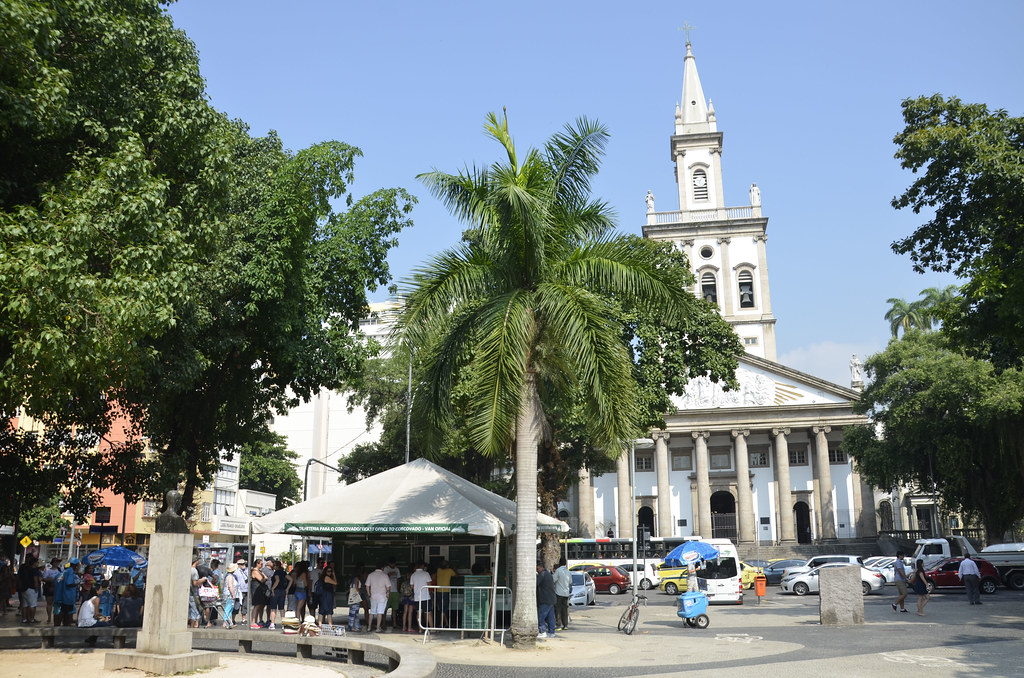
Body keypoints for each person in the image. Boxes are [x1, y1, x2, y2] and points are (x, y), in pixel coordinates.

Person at [53, 558, 80, 626]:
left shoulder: (64, 572)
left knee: (58, 612)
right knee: (67, 613)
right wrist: (77, 583)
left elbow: (57, 580)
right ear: (76, 566)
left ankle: (57, 626)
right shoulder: (70, 572)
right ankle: (66, 627)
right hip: (67, 597)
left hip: (59, 596)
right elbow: (69, 583)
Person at [366, 562, 391, 633]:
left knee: (372, 612)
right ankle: (377, 628)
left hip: (373, 596)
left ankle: (369, 627)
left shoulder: (371, 575)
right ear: (382, 568)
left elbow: (367, 585)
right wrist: (388, 593)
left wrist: (369, 593)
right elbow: (388, 586)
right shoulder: (385, 575)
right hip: (382, 596)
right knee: (380, 612)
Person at [16, 555, 40, 624]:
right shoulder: (34, 570)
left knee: (25, 604)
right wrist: (36, 588)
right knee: (32, 604)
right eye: (37, 562)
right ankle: (31, 619)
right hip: (31, 588)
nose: (38, 564)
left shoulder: (25, 568)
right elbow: (35, 580)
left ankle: (24, 619)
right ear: (34, 563)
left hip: (24, 588)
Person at [409, 561, 433, 631]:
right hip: (425, 596)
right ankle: (432, 628)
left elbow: (411, 586)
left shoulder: (413, 575)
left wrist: (417, 587)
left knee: (419, 613)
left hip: (417, 597)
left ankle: (420, 629)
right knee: (428, 613)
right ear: (422, 566)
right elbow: (429, 584)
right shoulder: (426, 574)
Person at [536, 561, 556, 639]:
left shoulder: (542, 575)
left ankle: (542, 631)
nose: (537, 570)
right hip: (551, 599)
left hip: (545, 599)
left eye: (537, 568)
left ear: (540, 567)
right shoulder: (548, 574)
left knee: (541, 616)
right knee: (551, 617)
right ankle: (552, 632)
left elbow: (536, 583)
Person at [434, 560, 455, 629]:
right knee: (444, 608)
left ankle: (446, 623)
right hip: (446, 591)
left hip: (439, 591)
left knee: (442, 608)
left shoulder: (438, 570)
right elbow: (456, 575)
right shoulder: (450, 571)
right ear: (447, 566)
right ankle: (441, 624)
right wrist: (454, 569)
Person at [553, 556, 572, 631]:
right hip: (566, 593)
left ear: (560, 563)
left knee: (558, 609)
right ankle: (565, 625)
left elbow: (553, 579)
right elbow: (570, 582)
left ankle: (558, 625)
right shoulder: (568, 571)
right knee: (565, 609)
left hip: (558, 593)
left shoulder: (558, 571)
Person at [249, 558, 268, 629]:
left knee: (259, 606)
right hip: (256, 590)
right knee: (256, 606)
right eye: (261, 564)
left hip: (261, 590)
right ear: (257, 564)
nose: (262, 565)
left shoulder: (259, 571)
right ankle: (253, 621)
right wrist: (264, 578)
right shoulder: (255, 571)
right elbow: (262, 580)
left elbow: (266, 577)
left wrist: (263, 575)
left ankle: (256, 621)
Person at [383, 557, 402, 629]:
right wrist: (389, 574)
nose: (393, 565)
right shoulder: (386, 569)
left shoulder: (397, 569)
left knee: (395, 609)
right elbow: (383, 578)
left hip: (395, 591)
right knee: (385, 609)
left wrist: (398, 590)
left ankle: (394, 623)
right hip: (387, 591)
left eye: (394, 563)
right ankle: (383, 623)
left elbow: (398, 580)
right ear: (389, 563)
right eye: (391, 563)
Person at [268, 559, 287, 630]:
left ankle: (272, 623)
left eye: (274, 565)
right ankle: (283, 624)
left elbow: (277, 580)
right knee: (282, 608)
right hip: (282, 590)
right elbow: (290, 579)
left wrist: (272, 588)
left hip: (276, 591)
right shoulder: (283, 572)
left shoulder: (276, 573)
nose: (273, 567)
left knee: (273, 608)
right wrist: (287, 588)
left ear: (277, 566)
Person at [317, 561, 337, 626]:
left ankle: (320, 624)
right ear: (325, 571)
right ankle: (330, 624)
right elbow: (335, 583)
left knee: (322, 610)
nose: (330, 573)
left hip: (322, 595)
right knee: (329, 611)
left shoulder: (322, 577)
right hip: (327, 595)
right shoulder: (327, 578)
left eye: (331, 571)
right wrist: (333, 574)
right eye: (328, 571)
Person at [42, 557, 61, 624]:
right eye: (56, 562)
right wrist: (50, 580)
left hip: (57, 588)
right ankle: (49, 617)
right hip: (49, 588)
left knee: (57, 603)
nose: (57, 563)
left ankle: (56, 617)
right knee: (49, 603)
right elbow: (43, 579)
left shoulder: (59, 570)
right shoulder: (48, 571)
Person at [346, 567, 364, 632]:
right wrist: (360, 591)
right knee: (355, 613)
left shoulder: (352, 579)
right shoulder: (356, 579)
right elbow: (356, 588)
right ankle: (353, 626)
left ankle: (352, 626)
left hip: (352, 598)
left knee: (352, 612)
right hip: (355, 598)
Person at [222, 562, 239, 628]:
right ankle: (225, 622)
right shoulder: (230, 577)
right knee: (228, 608)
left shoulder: (229, 576)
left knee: (229, 608)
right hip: (229, 595)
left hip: (228, 594)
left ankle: (227, 622)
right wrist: (233, 595)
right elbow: (230, 586)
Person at [232, 559, 249, 625]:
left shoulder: (247, 570)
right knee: (237, 605)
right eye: (242, 564)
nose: (243, 565)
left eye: (244, 564)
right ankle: (233, 619)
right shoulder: (236, 572)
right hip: (239, 591)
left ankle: (244, 619)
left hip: (246, 590)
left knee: (245, 605)